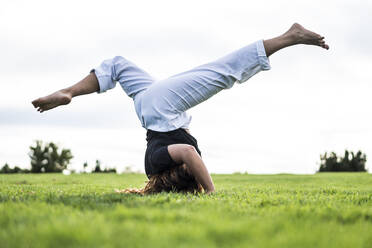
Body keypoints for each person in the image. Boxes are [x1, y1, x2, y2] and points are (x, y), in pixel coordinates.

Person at [32, 23, 329, 194]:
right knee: (118, 65)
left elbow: (189, 154)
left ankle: (291, 36)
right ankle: (70, 91)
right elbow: (187, 151)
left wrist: (212, 193)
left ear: (181, 175)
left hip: (159, 108)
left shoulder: (158, 161)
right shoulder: (158, 163)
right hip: (152, 104)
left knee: (223, 72)